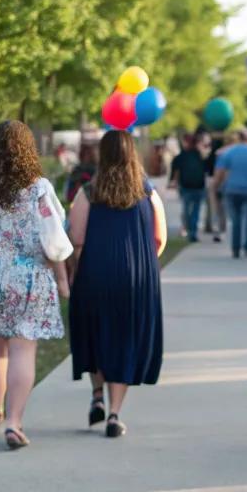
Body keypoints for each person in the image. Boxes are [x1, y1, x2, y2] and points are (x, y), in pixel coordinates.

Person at [0, 120, 73, 451]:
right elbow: (55, 237)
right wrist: (62, 279)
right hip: (28, 277)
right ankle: (14, 423)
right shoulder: (38, 187)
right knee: (23, 348)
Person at [67, 129, 167, 438]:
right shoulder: (148, 193)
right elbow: (159, 238)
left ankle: (97, 394)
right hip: (135, 278)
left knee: (96, 334)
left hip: (96, 274)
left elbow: (75, 239)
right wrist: (143, 260)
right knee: (124, 339)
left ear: (103, 155)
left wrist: (74, 271)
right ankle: (114, 414)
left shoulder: (88, 193)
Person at [214, 128, 247, 259]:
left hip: (232, 189)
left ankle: (235, 249)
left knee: (235, 220)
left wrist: (216, 186)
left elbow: (219, 173)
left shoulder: (228, 153)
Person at [168, 131, 207, 241]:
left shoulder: (180, 157)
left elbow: (175, 172)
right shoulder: (200, 156)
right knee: (195, 210)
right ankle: (192, 232)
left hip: (186, 187)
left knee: (186, 210)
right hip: (199, 186)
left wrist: (173, 182)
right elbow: (206, 170)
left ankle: (189, 229)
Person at [202, 132, 226, 242]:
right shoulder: (224, 155)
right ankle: (222, 229)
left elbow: (205, 169)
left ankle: (214, 228)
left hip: (212, 182)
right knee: (222, 208)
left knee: (213, 207)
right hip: (224, 182)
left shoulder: (211, 155)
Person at [65, 139, 98, 206]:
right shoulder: (77, 169)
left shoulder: (96, 169)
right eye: (84, 154)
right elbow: (69, 192)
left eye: (88, 154)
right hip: (79, 199)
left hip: (92, 200)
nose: (86, 157)